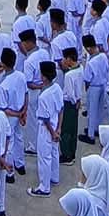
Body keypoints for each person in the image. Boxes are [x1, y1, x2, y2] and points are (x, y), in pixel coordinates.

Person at [28, 61, 64, 196]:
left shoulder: (43, 96)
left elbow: (45, 118)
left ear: (43, 76)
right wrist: (59, 128)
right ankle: (54, 177)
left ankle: (44, 187)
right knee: (54, 153)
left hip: (46, 129)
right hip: (56, 125)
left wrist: (53, 132)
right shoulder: (57, 88)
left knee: (44, 157)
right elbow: (61, 109)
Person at [0, 46, 28, 179]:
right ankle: (20, 164)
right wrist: (24, 112)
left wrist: (18, 114)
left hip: (10, 116)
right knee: (19, 138)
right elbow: (26, 94)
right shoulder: (21, 76)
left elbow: (4, 108)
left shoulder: (3, 85)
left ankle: (10, 173)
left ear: (3, 63)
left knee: (8, 143)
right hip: (20, 112)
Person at [79, 34, 108, 144]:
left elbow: (87, 79)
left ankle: (90, 135)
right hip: (103, 85)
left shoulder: (91, 62)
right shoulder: (103, 56)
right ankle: (96, 129)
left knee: (91, 111)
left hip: (93, 87)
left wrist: (87, 90)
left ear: (88, 48)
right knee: (99, 110)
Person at [59, 47, 83, 164]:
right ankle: (72, 152)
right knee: (73, 129)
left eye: (64, 58)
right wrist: (78, 101)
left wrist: (74, 102)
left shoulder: (69, 75)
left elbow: (69, 92)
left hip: (69, 103)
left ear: (69, 59)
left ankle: (66, 155)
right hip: (77, 101)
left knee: (65, 129)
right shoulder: (80, 68)